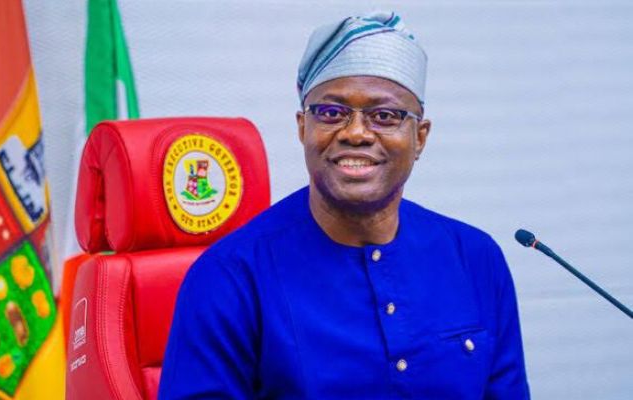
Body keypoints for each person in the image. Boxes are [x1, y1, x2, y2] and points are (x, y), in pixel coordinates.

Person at [158, 11, 529, 399]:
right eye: (332, 113)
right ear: (303, 128)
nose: (355, 133)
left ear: (420, 137)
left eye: (384, 115)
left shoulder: (475, 258)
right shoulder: (230, 276)